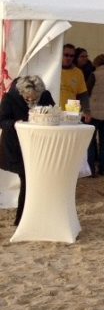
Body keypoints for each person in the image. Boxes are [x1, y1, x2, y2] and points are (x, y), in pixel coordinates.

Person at [0, 76, 56, 227]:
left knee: (36, 181)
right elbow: (2, 121)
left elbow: (53, 112)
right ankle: (21, 219)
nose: (31, 101)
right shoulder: (9, 98)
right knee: (27, 180)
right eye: (28, 98)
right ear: (21, 92)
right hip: (17, 147)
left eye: (35, 98)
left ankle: (31, 216)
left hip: (39, 145)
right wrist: (16, 124)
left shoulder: (45, 95)